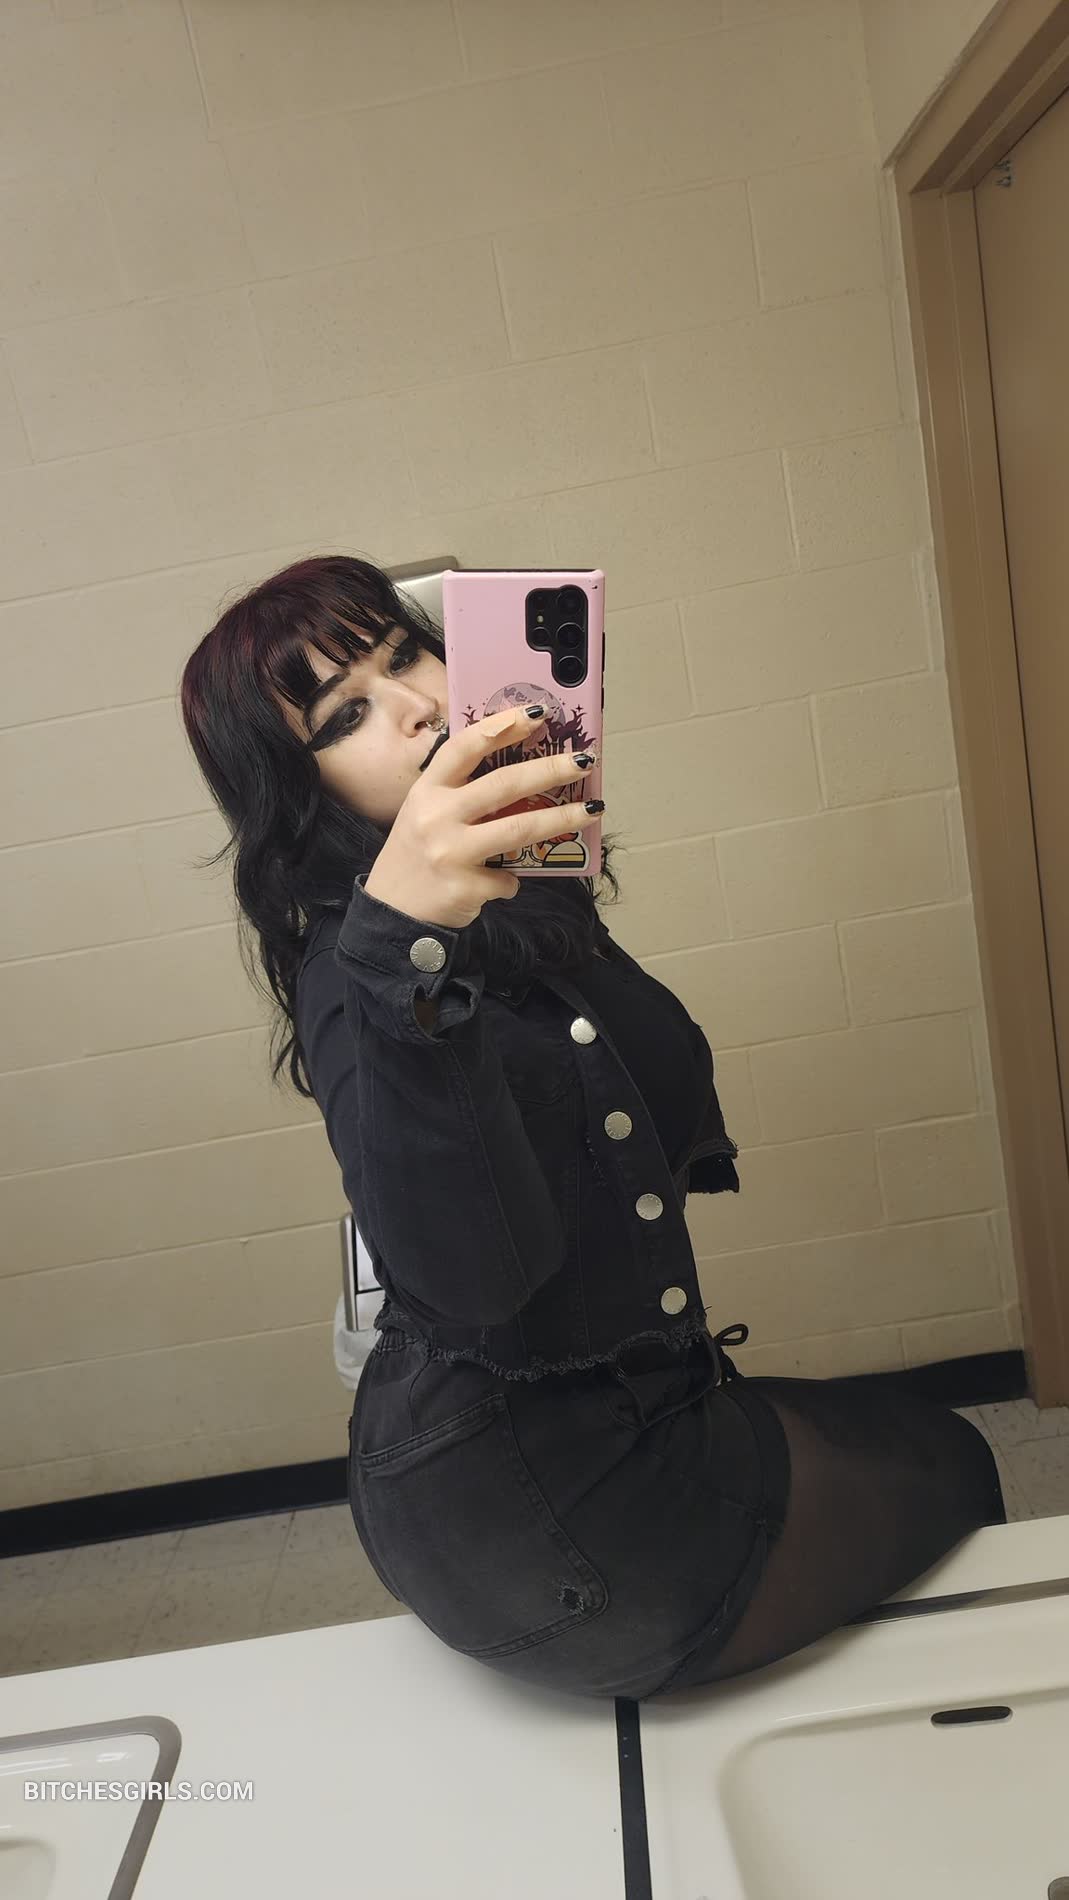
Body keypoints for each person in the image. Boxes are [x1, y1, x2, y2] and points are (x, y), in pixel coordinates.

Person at [180, 552, 1006, 1702]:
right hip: (543, 1520)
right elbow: (473, 1277)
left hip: (641, 1402)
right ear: (300, 791)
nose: (413, 704)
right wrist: (404, 947)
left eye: (407, 653)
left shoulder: (513, 890)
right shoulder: (356, 969)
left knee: (935, 1445)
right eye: (345, 716)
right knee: (958, 1471)